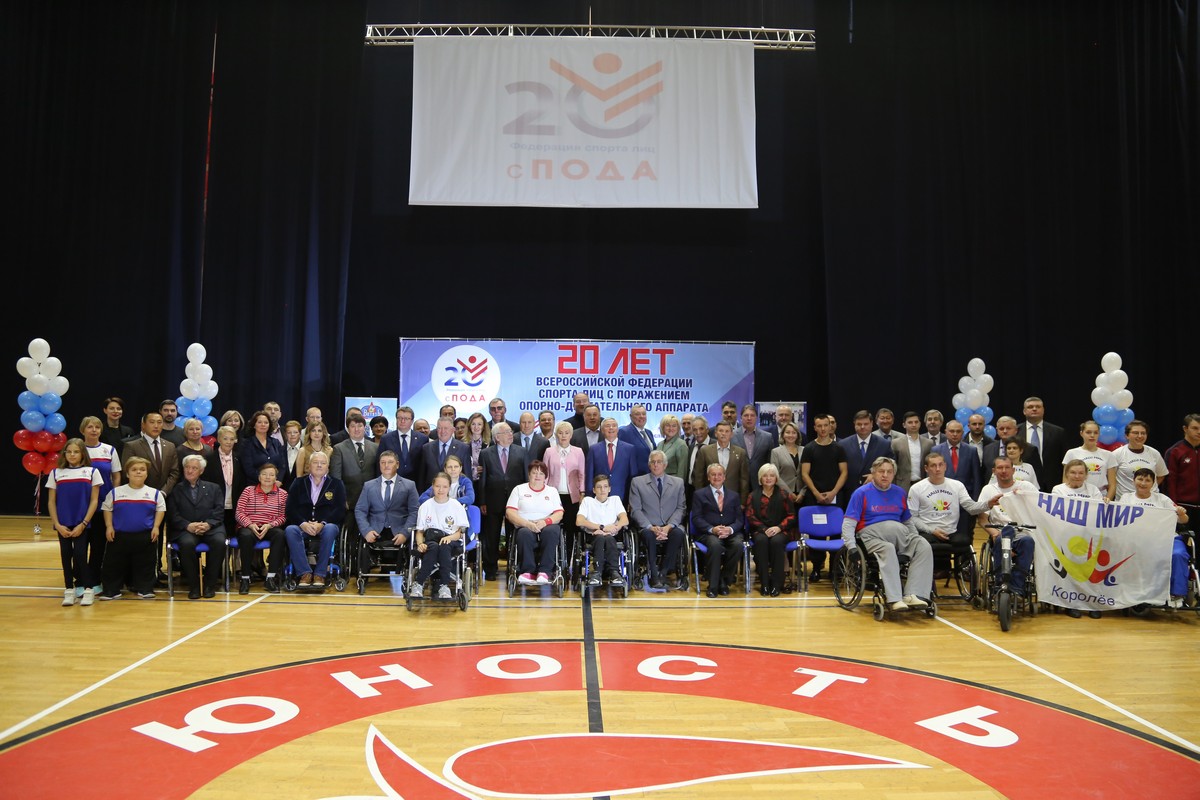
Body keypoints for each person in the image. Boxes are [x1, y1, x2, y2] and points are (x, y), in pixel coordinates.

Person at [841, 457, 933, 611]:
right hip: (871, 537)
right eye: (881, 471)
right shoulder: (861, 493)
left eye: (889, 472)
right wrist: (851, 546)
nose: (885, 475)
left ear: (893, 474)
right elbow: (849, 523)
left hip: (899, 536)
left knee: (923, 545)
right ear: (873, 473)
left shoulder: (900, 492)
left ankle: (914, 594)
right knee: (888, 548)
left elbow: (907, 521)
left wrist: (915, 537)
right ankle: (894, 598)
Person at [909, 452, 993, 574]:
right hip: (928, 531)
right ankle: (934, 570)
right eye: (933, 465)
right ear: (926, 468)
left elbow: (970, 507)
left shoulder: (957, 485)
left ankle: (961, 570)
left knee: (964, 541)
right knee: (924, 542)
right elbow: (912, 517)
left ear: (945, 466)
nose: (937, 469)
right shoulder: (916, 488)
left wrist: (988, 504)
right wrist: (932, 530)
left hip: (951, 532)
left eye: (940, 465)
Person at [121, 411, 180, 585]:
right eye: (152, 422)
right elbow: (127, 474)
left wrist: (162, 493)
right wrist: (146, 494)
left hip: (162, 498)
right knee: (140, 537)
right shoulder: (132, 446)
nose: (156, 425)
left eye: (159, 422)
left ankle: (155, 570)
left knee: (158, 535)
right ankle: (137, 575)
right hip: (139, 501)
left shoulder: (170, 446)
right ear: (143, 425)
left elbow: (174, 473)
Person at [1118, 468, 1190, 608]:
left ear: (1153, 483)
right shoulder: (1126, 498)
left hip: (1166, 539)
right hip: (1138, 541)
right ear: (1133, 481)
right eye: (1140, 479)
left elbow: (1184, 520)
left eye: (1147, 480)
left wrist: (1181, 514)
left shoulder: (1162, 499)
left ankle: (1176, 593)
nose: (1143, 483)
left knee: (1178, 554)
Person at [99, 456, 165, 600]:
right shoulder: (115, 492)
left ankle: (145, 588)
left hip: (145, 536)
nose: (138, 472)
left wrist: (156, 527)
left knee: (145, 563)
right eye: (134, 469)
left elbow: (160, 509)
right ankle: (111, 590)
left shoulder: (155, 493)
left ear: (147, 473)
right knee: (114, 563)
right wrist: (109, 526)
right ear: (127, 474)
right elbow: (107, 509)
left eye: (142, 469)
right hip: (119, 535)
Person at [976, 456, 1039, 608]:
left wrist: (1024, 498)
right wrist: (993, 533)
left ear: (1013, 470)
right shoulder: (988, 490)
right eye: (999, 468)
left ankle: (1017, 587)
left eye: (1006, 467)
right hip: (999, 531)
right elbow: (982, 519)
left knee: (1028, 541)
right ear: (994, 471)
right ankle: (1000, 584)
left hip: (1022, 530)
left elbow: (1040, 512)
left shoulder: (1026, 487)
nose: (1003, 471)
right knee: (1003, 536)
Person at [46, 439, 102, 606]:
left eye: (76, 452)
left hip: (81, 523)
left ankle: (88, 589)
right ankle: (69, 590)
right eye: (68, 451)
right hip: (63, 523)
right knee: (65, 555)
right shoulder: (56, 473)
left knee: (80, 554)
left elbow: (94, 500)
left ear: (83, 454)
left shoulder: (92, 472)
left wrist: (83, 523)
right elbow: (51, 501)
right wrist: (57, 524)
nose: (72, 455)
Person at [284, 451, 346, 591]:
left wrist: (322, 523)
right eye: (315, 462)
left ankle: (320, 574)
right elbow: (290, 508)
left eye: (323, 463)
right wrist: (302, 523)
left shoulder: (336, 484)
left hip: (326, 525)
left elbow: (340, 509)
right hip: (303, 525)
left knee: (330, 528)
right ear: (309, 465)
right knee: (290, 530)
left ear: (328, 467)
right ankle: (304, 573)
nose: (319, 465)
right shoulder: (298, 483)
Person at [167, 454, 226, 599]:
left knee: (219, 541)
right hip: (186, 529)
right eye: (187, 467)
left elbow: (219, 510)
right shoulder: (176, 489)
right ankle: (194, 586)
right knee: (187, 543)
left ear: (201, 471)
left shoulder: (214, 488)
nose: (190, 471)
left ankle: (209, 585)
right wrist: (187, 525)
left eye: (194, 468)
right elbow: (173, 514)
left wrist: (208, 524)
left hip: (210, 527)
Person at [629, 450, 687, 590]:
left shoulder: (678, 483)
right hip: (648, 526)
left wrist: (669, 526)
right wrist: (650, 526)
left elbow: (681, 508)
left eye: (659, 462)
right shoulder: (637, 482)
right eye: (653, 462)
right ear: (649, 465)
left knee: (678, 534)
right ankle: (654, 575)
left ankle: (664, 572)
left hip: (670, 526)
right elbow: (635, 510)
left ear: (665, 465)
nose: (656, 465)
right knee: (648, 536)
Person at [355, 450, 420, 574]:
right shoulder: (368, 486)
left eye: (390, 462)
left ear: (397, 464)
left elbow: (414, 511)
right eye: (383, 462)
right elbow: (360, 510)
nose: (386, 465)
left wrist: (405, 533)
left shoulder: (409, 485)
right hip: (375, 530)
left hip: (399, 530)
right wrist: (366, 530)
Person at [409, 472, 470, 600]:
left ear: (449, 488)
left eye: (444, 487)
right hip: (431, 539)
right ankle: (418, 584)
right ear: (433, 486)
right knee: (433, 547)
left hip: (451, 539)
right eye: (437, 486)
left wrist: (450, 537)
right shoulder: (425, 506)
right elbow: (420, 531)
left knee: (444, 546)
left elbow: (461, 532)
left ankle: (444, 585)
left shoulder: (456, 505)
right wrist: (420, 544)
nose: (441, 490)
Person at [479, 422, 527, 581]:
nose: (510, 434)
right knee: (491, 536)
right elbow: (483, 479)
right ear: (497, 437)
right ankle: (490, 569)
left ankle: (514, 567)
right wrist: (483, 501)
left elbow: (526, 477)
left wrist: (525, 500)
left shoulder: (521, 451)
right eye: (506, 432)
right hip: (492, 500)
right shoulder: (486, 453)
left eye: (510, 431)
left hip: (515, 501)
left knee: (514, 535)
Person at [691, 463, 745, 598]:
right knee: (715, 545)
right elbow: (696, 518)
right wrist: (712, 529)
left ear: (724, 477)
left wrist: (730, 529)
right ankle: (713, 586)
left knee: (738, 545)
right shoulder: (699, 494)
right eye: (713, 474)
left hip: (730, 532)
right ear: (708, 477)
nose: (716, 477)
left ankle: (723, 580)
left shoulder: (734, 495)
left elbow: (740, 519)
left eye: (719, 474)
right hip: (708, 533)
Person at [506, 460, 564, 586]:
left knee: (551, 532)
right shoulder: (519, 489)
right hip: (525, 524)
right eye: (534, 473)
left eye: (541, 473)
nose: (538, 476)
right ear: (529, 474)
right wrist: (527, 524)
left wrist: (545, 522)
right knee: (524, 534)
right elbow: (510, 513)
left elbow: (559, 513)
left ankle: (545, 572)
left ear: (545, 477)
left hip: (547, 525)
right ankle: (528, 571)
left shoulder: (552, 491)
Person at [80, 415, 121, 594]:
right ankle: (80, 581)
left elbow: (116, 475)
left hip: (102, 505)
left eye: (97, 427)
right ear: (83, 430)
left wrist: (114, 496)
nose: (94, 430)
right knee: (80, 547)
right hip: (80, 506)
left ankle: (95, 580)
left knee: (98, 546)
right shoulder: (75, 450)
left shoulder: (109, 450)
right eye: (90, 427)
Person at [234, 463, 288, 594]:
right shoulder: (248, 490)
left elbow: (283, 516)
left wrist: (270, 525)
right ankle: (245, 578)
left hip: (269, 526)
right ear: (259, 477)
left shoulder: (283, 494)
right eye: (264, 474)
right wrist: (250, 524)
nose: (267, 477)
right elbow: (239, 512)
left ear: (276, 478)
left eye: (271, 475)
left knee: (280, 535)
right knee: (245, 536)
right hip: (249, 526)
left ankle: (271, 578)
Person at [331, 413, 378, 565]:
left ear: (365, 427)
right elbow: (336, 478)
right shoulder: (339, 448)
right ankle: (348, 563)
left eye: (359, 426)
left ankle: (367, 561)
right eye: (353, 426)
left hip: (371, 500)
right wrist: (342, 499)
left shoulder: (375, 447)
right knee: (349, 533)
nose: (356, 429)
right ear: (348, 428)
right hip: (349, 501)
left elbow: (378, 475)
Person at [746, 463, 795, 596]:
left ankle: (776, 584)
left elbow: (792, 516)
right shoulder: (753, 495)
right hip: (760, 530)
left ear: (776, 478)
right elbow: (750, 516)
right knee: (761, 541)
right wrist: (763, 528)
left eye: (772, 475)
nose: (768, 478)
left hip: (780, 530)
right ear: (760, 478)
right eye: (765, 476)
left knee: (776, 542)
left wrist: (779, 528)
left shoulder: (784, 494)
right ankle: (765, 583)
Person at [541, 423, 585, 567]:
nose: (563, 436)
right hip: (553, 496)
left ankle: (569, 561)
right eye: (560, 433)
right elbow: (545, 474)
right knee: (554, 528)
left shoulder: (578, 452)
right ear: (556, 435)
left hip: (572, 497)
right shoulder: (549, 451)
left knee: (570, 529)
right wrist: (543, 492)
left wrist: (582, 493)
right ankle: (553, 560)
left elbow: (582, 474)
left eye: (567, 433)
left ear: (571, 435)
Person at [576, 474, 629, 587]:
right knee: (600, 538)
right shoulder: (587, 501)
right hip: (593, 535)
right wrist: (601, 528)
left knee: (608, 538)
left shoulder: (615, 500)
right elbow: (579, 521)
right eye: (599, 487)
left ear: (609, 489)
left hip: (612, 535)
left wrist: (615, 527)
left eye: (605, 486)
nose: (602, 490)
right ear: (594, 490)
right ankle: (596, 572)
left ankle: (614, 572)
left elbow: (625, 520)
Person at [837, 410, 893, 505]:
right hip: (850, 493)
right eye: (859, 424)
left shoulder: (883, 444)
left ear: (871, 424)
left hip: (875, 492)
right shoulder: (843, 444)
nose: (862, 427)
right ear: (854, 424)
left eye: (866, 424)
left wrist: (874, 475)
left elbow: (891, 466)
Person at [202, 425, 244, 538]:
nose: (229, 442)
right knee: (217, 537)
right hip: (215, 506)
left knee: (232, 536)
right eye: (225, 438)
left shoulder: (239, 458)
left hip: (234, 504)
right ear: (219, 439)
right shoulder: (209, 458)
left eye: (232, 439)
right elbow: (205, 482)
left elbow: (241, 482)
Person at [1110, 420, 1168, 500]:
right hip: (1125, 501)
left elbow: (1161, 475)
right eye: (1136, 433)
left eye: (1143, 433)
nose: (1140, 436)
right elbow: (1110, 479)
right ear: (1127, 435)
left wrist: (1146, 489)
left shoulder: (1154, 453)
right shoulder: (1117, 454)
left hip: (1151, 501)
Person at [692, 421, 750, 499]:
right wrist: (701, 498)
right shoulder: (705, 451)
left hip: (732, 498)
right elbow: (699, 478)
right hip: (709, 498)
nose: (723, 434)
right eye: (721, 431)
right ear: (716, 433)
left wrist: (742, 501)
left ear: (731, 434)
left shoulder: (740, 452)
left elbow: (744, 479)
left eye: (727, 431)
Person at [1020, 396, 1068, 489]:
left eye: (1038, 407)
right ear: (1024, 411)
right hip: (1023, 481)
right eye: (1030, 407)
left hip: (1052, 482)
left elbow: (1064, 458)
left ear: (1043, 410)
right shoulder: (1016, 431)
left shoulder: (1058, 432)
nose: (1034, 409)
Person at [586, 417, 638, 501]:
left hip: (622, 497)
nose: (611, 428)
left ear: (618, 429)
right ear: (602, 430)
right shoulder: (594, 449)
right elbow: (589, 475)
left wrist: (632, 499)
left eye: (614, 425)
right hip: (599, 497)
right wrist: (589, 497)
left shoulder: (629, 449)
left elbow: (633, 476)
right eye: (607, 426)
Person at [1061, 421, 1117, 497]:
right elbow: (1065, 480)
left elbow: (1112, 484)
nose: (1092, 435)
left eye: (1095, 433)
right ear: (1081, 433)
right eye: (1088, 432)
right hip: (1076, 495)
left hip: (1100, 495)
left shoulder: (1108, 455)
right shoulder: (1071, 453)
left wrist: (1107, 499)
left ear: (1099, 434)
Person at [983, 417, 1044, 485]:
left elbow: (1038, 477)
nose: (1005, 431)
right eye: (1001, 429)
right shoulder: (987, 449)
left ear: (1016, 430)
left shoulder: (1030, 449)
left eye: (1008, 428)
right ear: (997, 430)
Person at [377, 406, 427, 485]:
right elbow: (379, 463)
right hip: (392, 482)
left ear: (412, 421)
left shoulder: (422, 439)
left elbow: (424, 465)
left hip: (415, 483)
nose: (402, 421)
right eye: (399, 418)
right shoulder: (386, 438)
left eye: (406, 418)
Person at [420, 416, 472, 493]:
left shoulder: (463, 448)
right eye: (439, 428)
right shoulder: (426, 448)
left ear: (453, 430)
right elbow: (421, 476)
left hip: (454, 494)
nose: (442, 431)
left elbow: (467, 475)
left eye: (446, 428)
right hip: (431, 494)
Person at [932, 420, 981, 499]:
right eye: (952, 431)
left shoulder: (971, 451)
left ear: (962, 433)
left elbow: (976, 478)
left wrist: (976, 500)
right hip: (942, 495)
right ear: (946, 432)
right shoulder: (936, 450)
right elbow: (932, 475)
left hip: (966, 496)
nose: (955, 434)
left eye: (958, 431)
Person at [733, 405, 774, 492]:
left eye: (752, 415)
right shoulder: (731, 436)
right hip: (737, 483)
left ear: (756, 418)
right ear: (741, 418)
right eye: (746, 415)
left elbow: (770, 462)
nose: (749, 418)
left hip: (760, 484)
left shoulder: (767, 437)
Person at [240, 410, 286, 485]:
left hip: (275, 485)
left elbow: (282, 465)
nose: (263, 425)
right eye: (259, 422)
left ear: (269, 425)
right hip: (255, 485)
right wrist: (265, 481)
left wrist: (278, 480)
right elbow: (248, 469)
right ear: (254, 425)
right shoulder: (247, 444)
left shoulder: (276, 442)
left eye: (266, 422)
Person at [891, 411, 932, 491]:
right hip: (902, 484)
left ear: (920, 424)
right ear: (904, 425)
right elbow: (893, 466)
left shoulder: (928, 443)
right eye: (910, 422)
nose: (913, 425)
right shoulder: (896, 443)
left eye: (916, 422)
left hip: (923, 483)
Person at [1165, 413, 1200, 508]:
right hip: (1183, 506)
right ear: (1185, 429)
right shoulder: (1174, 451)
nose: (1199, 432)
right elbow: (1170, 481)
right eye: (1195, 428)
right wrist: (1173, 506)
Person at [769, 421, 805, 507]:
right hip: (783, 494)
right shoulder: (776, 452)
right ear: (783, 435)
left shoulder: (804, 450)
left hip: (802, 495)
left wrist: (802, 493)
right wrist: (789, 493)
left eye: (794, 433)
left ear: (797, 435)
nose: (790, 435)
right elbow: (775, 475)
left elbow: (808, 474)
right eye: (788, 432)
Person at [657, 414, 689, 483]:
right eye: (667, 425)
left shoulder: (681, 444)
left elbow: (682, 471)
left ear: (678, 428)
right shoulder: (660, 444)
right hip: (658, 482)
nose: (671, 428)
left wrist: (678, 486)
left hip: (672, 484)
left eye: (674, 426)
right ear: (662, 427)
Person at [464, 411, 491, 484]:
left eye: (479, 424)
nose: (476, 427)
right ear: (469, 426)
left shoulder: (490, 444)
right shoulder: (463, 444)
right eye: (473, 424)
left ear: (483, 426)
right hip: (468, 481)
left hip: (485, 482)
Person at [281, 420, 303, 486]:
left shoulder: (306, 450)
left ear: (300, 434)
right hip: (283, 488)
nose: (292, 435)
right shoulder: (279, 450)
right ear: (285, 434)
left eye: (295, 432)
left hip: (301, 488)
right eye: (289, 432)